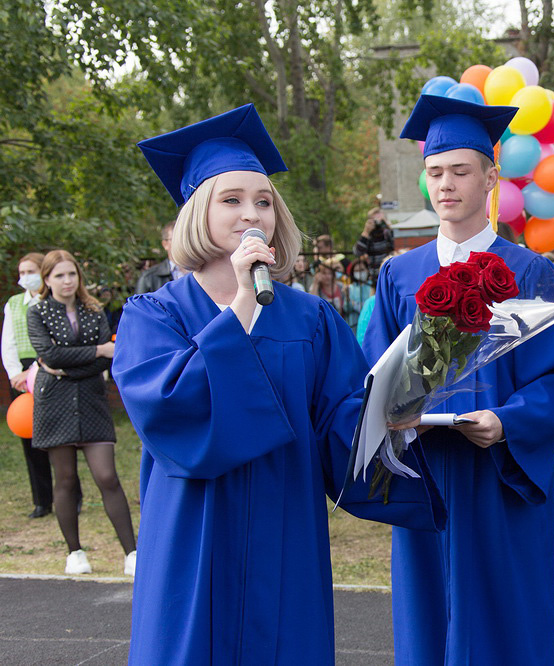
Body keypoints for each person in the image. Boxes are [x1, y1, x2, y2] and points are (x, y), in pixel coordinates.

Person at [116, 104, 443, 663]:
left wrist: (392, 410)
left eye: (264, 202)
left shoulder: (309, 319)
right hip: (197, 527)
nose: (252, 214)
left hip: (285, 521)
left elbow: (341, 418)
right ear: (197, 213)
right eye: (233, 200)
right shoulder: (155, 314)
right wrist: (242, 306)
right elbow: (169, 411)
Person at [364, 94, 554, 665]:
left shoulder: (529, 271)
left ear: (491, 178)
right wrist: (388, 412)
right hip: (425, 474)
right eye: (435, 172)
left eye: (461, 171)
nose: (446, 184)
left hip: (499, 473)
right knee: (429, 618)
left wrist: (507, 420)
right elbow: (372, 374)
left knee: (504, 616)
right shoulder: (400, 274)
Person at [26, 250, 136, 575]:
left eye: (71, 274)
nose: (67, 281)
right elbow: (48, 354)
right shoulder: (38, 312)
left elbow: (108, 357)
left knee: (107, 477)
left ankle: (132, 554)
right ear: (47, 279)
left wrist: (67, 365)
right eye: (59, 275)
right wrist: (93, 352)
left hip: (91, 400)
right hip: (55, 403)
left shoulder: (94, 309)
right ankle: (75, 553)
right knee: (66, 480)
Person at [3, 252, 54, 518]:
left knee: (59, 439)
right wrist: (16, 374)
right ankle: (42, 499)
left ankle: (71, 493)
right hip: (21, 379)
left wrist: (36, 369)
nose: (25, 278)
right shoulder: (13, 304)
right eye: (21, 273)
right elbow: (8, 343)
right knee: (30, 440)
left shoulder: (52, 300)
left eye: (30, 271)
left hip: (48, 370)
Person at [135, 221, 185, 294]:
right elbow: (141, 304)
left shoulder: (202, 272)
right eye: (176, 239)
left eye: (185, 239)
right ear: (165, 244)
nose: (182, 243)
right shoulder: (149, 278)